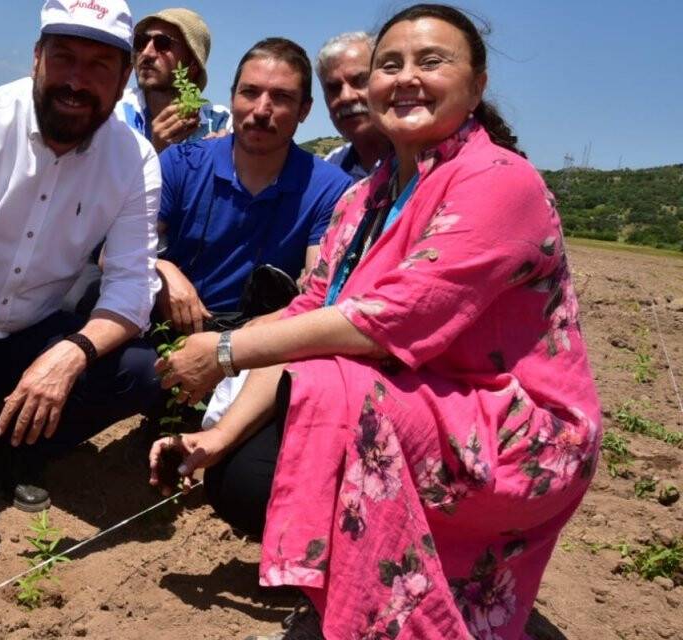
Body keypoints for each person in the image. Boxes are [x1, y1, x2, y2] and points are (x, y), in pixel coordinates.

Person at [151, 4, 600, 638]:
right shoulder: (366, 196)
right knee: (245, 472)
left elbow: (389, 319)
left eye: (431, 61)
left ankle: (399, 608)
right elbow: (313, 309)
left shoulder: (500, 181)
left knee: (331, 398)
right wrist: (216, 437)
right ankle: (398, 595)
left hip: (513, 432)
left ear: (476, 86)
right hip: (420, 407)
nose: (406, 77)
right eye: (390, 65)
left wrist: (223, 352)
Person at [0, 0, 162, 512]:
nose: (77, 81)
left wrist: (70, 355)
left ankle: (15, 449)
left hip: (31, 334)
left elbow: (132, 288)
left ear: (124, 77)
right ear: (37, 56)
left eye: (99, 65)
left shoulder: (135, 158)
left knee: (140, 371)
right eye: (64, 57)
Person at [154, 38, 352, 336]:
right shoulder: (180, 163)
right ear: (232, 97)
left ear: (304, 110)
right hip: (167, 331)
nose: (261, 110)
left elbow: (317, 294)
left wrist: (234, 346)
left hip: (264, 342)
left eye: (281, 97)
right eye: (250, 92)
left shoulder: (330, 188)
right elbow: (113, 256)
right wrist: (161, 270)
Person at [114, 8, 230, 153]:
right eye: (141, 42)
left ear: (193, 65)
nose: (146, 53)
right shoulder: (115, 113)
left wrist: (224, 157)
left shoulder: (220, 121)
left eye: (162, 43)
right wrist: (157, 153)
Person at [316, 31, 392, 182]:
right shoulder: (329, 172)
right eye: (333, 88)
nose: (346, 96)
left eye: (360, 81)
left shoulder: (422, 160)